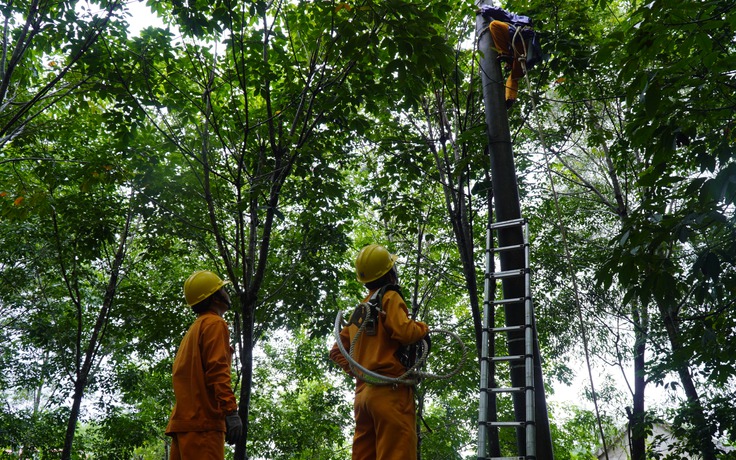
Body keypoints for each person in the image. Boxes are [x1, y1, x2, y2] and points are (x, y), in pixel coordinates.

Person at [330, 244, 430, 460]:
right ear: (390, 273)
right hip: (390, 392)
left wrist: (360, 372)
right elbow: (404, 332)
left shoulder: (361, 310)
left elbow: (337, 351)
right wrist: (423, 328)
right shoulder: (389, 297)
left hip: (364, 398)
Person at [165, 270, 243, 460]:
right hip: (203, 426)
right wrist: (231, 411)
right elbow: (218, 371)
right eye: (222, 289)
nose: (226, 293)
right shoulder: (215, 323)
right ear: (215, 298)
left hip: (184, 425)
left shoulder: (194, 330)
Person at [477, 5, 541, 109]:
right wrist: (510, 62)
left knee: (494, 25)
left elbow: (500, 12)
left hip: (521, 37)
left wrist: (483, 9)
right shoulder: (514, 43)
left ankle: (504, 53)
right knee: (514, 77)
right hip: (526, 53)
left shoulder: (516, 19)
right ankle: (510, 98)